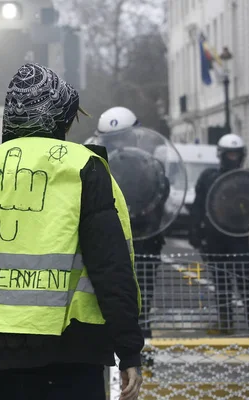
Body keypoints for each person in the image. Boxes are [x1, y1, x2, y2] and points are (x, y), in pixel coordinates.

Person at [0, 64, 143, 400]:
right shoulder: (83, 167)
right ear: (58, 116)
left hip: (2, 353)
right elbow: (109, 265)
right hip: (75, 349)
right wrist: (128, 349)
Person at [85, 106, 167, 340]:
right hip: (114, 242)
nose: (119, 146)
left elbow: (159, 198)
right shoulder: (94, 165)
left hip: (141, 240)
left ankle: (140, 349)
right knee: (115, 299)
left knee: (139, 300)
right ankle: (128, 351)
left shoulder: (149, 167)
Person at [189, 133, 249, 335]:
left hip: (238, 235)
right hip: (215, 236)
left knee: (245, 279)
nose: (233, 158)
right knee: (221, 281)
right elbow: (198, 206)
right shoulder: (209, 177)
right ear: (221, 155)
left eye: (236, 154)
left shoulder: (247, 180)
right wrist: (194, 230)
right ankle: (226, 322)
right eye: (229, 154)